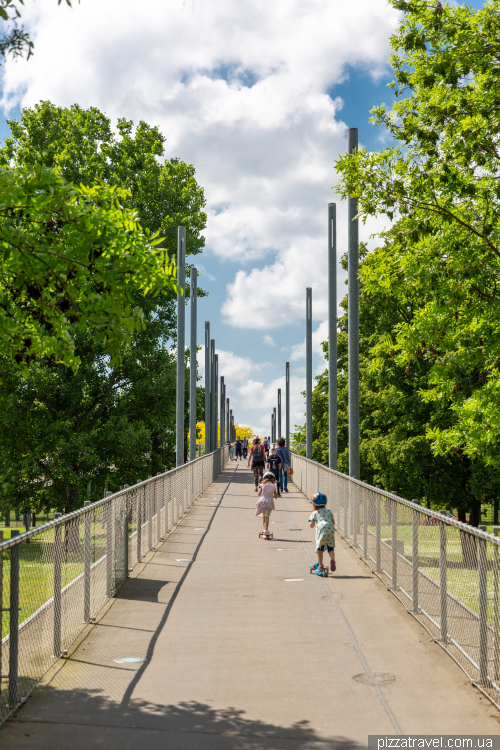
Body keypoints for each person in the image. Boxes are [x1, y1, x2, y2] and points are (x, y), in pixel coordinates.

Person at [308, 492, 336, 575]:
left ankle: (320, 566)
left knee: (319, 550)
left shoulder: (314, 513)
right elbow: (333, 522)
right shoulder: (329, 511)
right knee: (330, 548)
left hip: (321, 531)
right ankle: (332, 559)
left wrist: (311, 521)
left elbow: (311, 526)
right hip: (330, 529)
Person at [255, 471, 277, 538]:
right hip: (269, 503)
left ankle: (265, 530)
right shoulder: (273, 486)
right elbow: (275, 496)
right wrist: (272, 494)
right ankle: (266, 530)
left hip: (262, 502)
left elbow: (259, 494)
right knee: (267, 517)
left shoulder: (262, 485)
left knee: (264, 517)